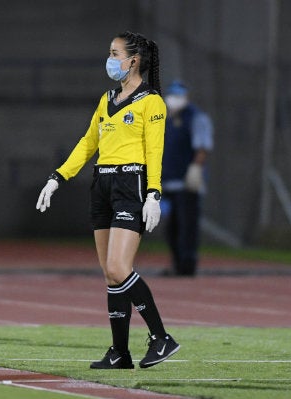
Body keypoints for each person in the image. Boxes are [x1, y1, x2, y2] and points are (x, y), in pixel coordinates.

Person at [35, 31, 180, 369]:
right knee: (110, 275)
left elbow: (154, 151)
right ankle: (120, 353)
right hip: (102, 184)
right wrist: (58, 178)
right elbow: (88, 142)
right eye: (110, 53)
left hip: (132, 184)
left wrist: (154, 193)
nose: (110, 59)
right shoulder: (108, 99)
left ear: (134, 60)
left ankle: (161, 337)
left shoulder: (151, 102)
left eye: (115, 54)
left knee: (119, 267)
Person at [161, 80, 214, 277]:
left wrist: (195, 168)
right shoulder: (165, 120)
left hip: (187, 182)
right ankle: (177, 263)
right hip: (169, 181)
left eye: (178, 96)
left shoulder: (196, 118)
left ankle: (187, 265)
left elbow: (202, 147)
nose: (174, 100)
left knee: (187, 225)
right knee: (171, 227)